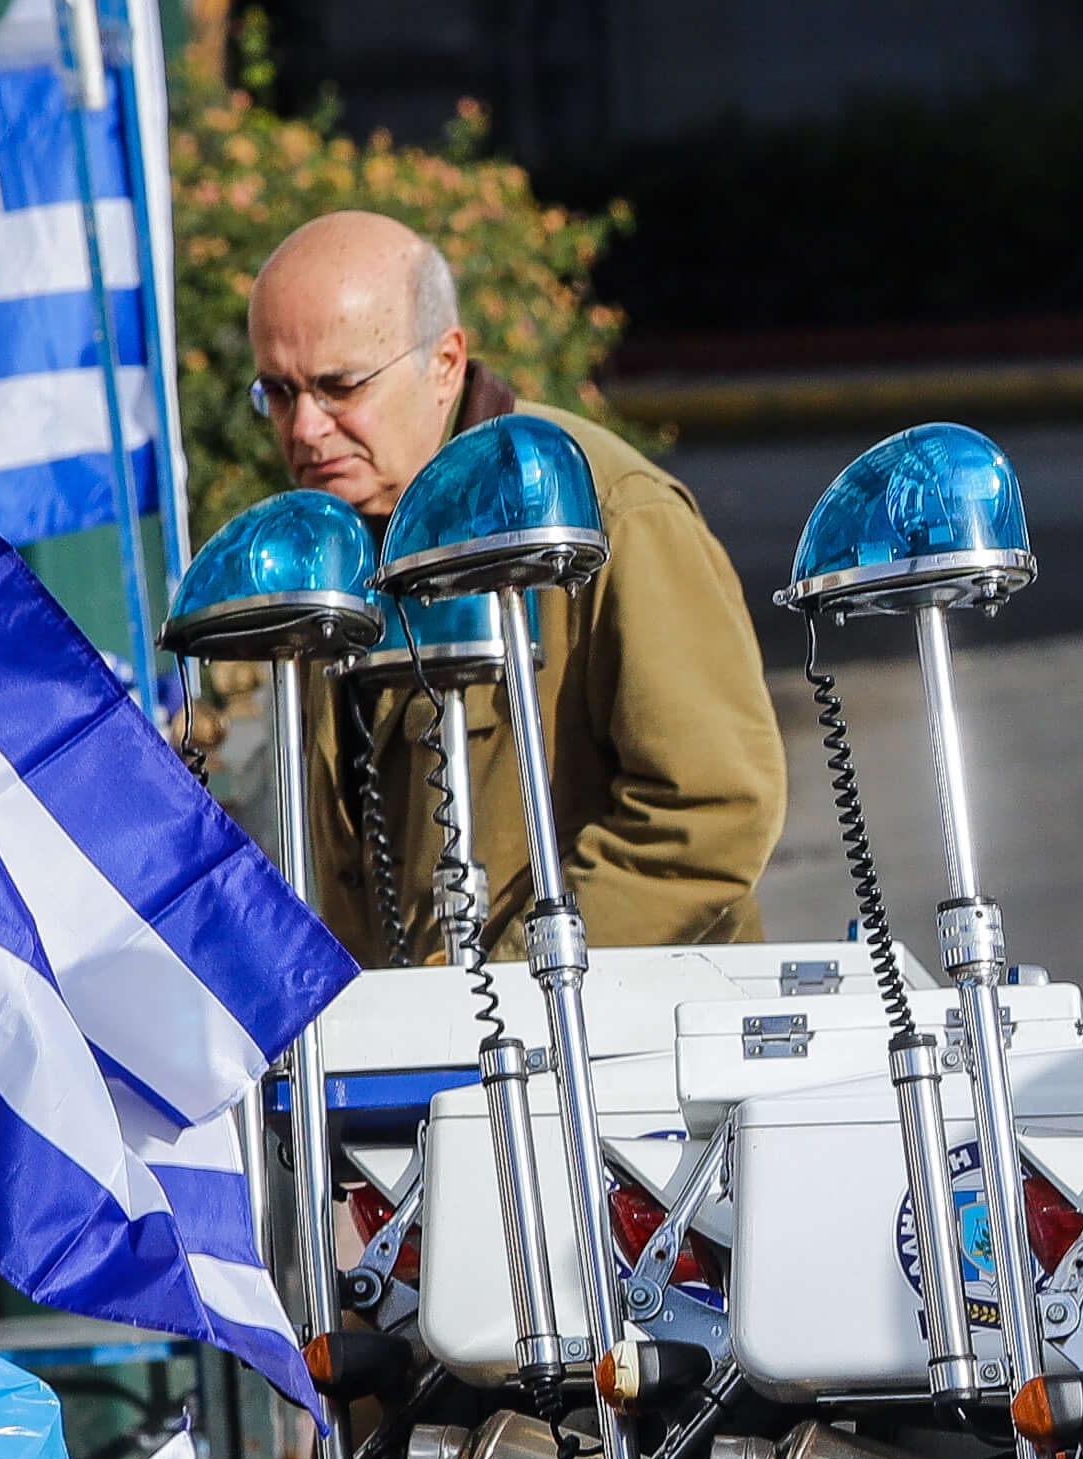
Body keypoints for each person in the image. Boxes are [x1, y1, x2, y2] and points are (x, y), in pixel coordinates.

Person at [256, 209, 788, 965]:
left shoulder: (606, 512)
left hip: (611, 1057)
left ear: (445, 362)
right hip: (417, 1058)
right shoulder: (337, 536)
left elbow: (712, 810)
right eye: (277, 392)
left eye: (339, 386)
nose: (304, 427)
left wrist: (506, 989)